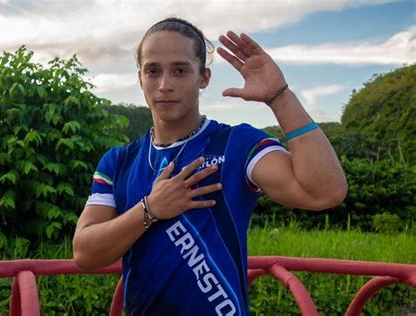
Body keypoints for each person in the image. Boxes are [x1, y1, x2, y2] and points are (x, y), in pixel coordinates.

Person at [73, 17, 347, 315]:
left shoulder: (237, 144)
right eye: (153, 71)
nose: (164, 85)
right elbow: (85, 253)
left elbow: (325, 192)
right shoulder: (119, 161)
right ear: (140, 78)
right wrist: (150, 208)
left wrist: (279, 96)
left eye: (180, 70)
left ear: (203, 78)